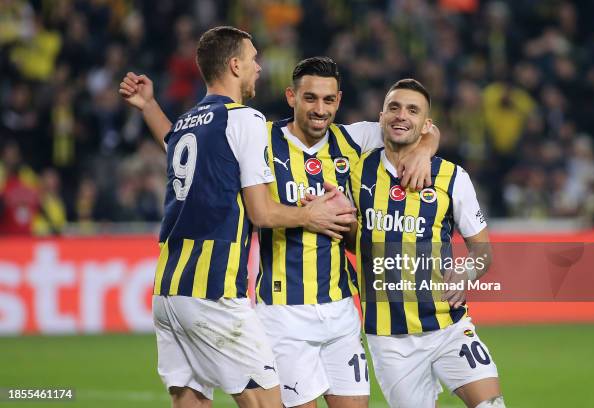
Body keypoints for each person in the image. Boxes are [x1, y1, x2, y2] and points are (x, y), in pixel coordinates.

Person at [121, 56, 440, 408]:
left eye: (329, 100)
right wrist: (149, 107)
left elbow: (415, 125)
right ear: (292, 97)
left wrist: (425, 150)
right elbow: (188, 151)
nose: (320, 109)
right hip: (283, 314)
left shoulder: (354, 139)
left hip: (341, 312)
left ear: (339, 100)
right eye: (310, 98)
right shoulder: (262, 138)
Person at [119, 26, 356, 408]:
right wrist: (309, 215)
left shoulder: (188, 123)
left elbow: (171, 142)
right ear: (234, 65)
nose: (258, 68)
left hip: (168, 290)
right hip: (213, 290)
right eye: (253, 59)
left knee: (190, 398)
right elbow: (261, 213)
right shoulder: (244, 119)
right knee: (266, 401)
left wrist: (148, 106)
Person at [347, 79, 504, 408]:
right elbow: (352, 236)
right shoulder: (355, 173)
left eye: (412, 110)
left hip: (448, 325)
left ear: (426, 125)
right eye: (394, 107)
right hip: (389, 339)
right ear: (381, 118)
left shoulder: (452, 177)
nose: (401, 115)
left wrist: (467, 273)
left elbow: (482, 250)